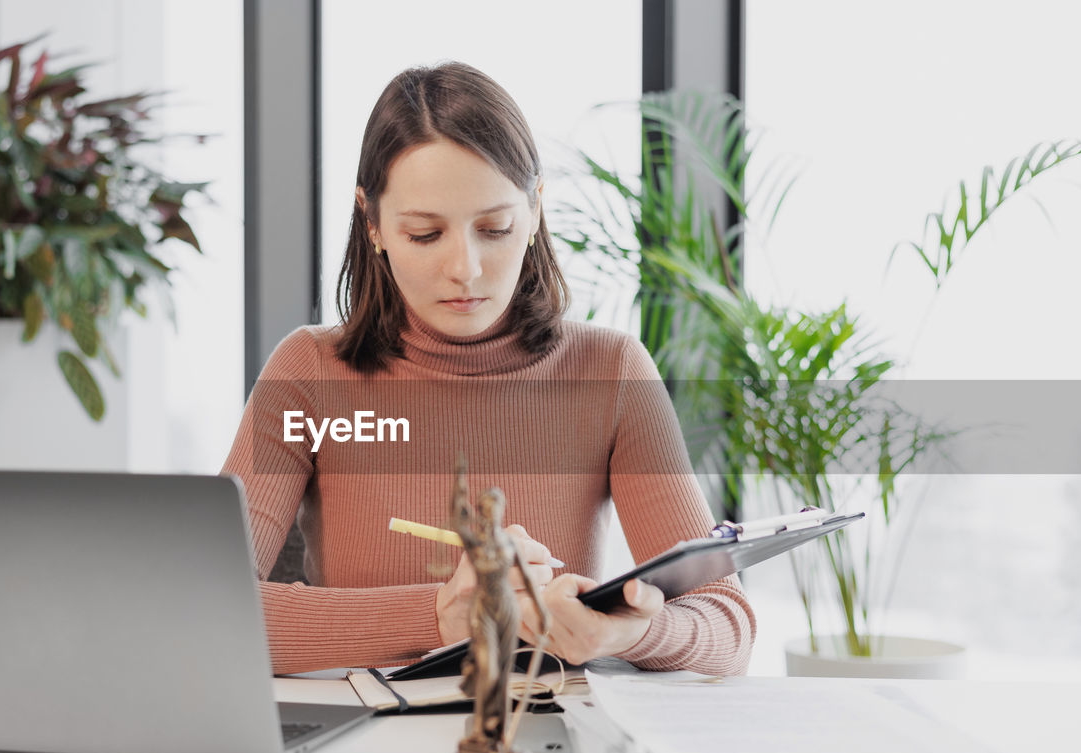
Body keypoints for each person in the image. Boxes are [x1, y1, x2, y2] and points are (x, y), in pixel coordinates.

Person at [222, 61, 755, 676]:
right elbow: (203, 607)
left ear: (533, 212)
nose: (466, 269)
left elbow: (727, 625)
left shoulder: (611, 373)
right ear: (372, 223)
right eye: (425, 234)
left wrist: (627, 635)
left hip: (548, 743)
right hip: (356, 747)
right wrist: (438, 616)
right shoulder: (308, 374)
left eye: (494, 228)